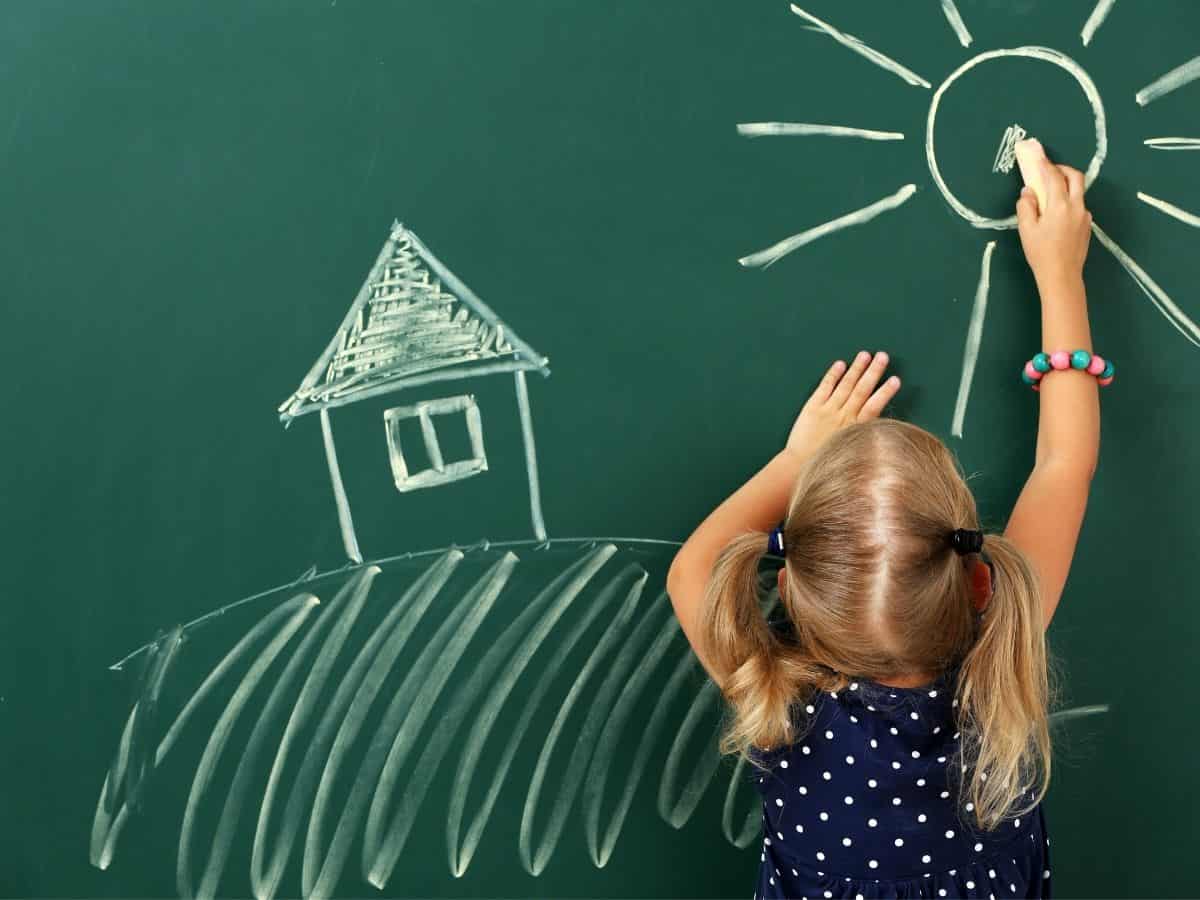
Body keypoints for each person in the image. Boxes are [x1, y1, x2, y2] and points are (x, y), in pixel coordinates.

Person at [666, 152, 1101, 898]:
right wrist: (1061, 272)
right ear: (977, 574)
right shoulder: (998, 667)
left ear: (796, 592)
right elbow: (1063, 463)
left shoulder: (778, 708)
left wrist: (795, 458)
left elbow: (692, 569)